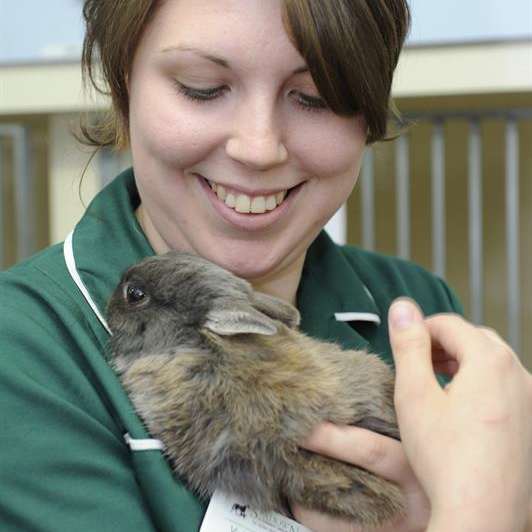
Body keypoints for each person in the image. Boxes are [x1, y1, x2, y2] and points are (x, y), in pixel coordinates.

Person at [0, 1, 529, 531]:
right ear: (123, 84)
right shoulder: (24, 347)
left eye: (314, 97)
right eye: (201, 87)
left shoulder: (412, 306)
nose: (258, 148)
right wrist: (480, 511)